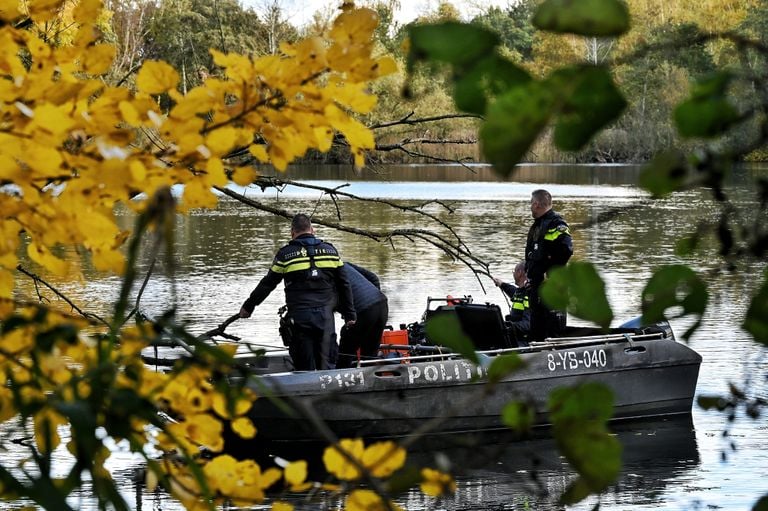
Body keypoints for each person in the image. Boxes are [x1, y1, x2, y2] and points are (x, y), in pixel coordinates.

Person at [239, 214, 356, 370]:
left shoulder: (285, 255)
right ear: (312, 230)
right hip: (326, 317)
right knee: (327, 365)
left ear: (292, 232)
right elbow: (344, 284)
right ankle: (329, 390)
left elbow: (267, 284)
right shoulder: (330, 251)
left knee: (304, 366)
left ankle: (305, 389)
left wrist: (249, 306)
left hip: (301, 318)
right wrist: (350, 315)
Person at [525, 189, 573, 342]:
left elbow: (566, 250)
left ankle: (552, 353)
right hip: (536, 285)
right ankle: (534, 354)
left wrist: (550, 274)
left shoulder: (556, 223)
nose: (530, 207)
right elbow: (535, 254)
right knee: (536, 325)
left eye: (531, 204)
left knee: (552, 327)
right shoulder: (538, 225)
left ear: (537, 204)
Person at [335, 263, 389, 369]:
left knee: (346, 350)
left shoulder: (323, 274)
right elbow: (374, 278)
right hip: (381, 303)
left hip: (363, 310)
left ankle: (340, 380)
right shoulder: (343, 264)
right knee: (369, 354)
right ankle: (370, 382)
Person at [492, 261, 530, 346]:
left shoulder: (528, 295)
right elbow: (513, 291)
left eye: (514, 271)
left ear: (519, 272)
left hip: (524, 340)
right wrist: (501, 284)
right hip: (515, 335)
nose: (513, 274)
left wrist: (507, 327)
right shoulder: (519, 292)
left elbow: (528, 324)